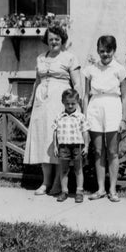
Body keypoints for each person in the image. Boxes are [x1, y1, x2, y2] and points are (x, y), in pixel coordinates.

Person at [24, 25, 82, 196]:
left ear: (62, 40)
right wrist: (30, 101)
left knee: (57, 141)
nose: (54, 42)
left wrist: (77, 106)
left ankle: (58, 182)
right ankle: (45, 182)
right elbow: (36, 82)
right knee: (43, 141)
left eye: (57, 39)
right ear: (46, 41)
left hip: (60, 103)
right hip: (41, 105)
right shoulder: (41, 58)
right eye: (51, 39)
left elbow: (77, 84)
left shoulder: (70, 57)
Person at [82, 35, 126, 202]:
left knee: (112, 151)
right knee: (97, 152)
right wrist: (85, 116)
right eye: (101, 51)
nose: (105, 54)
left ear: (114, 51)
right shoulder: (90, 70)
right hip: (95, 109)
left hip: (113, 109)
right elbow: (86, 95)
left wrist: (124, 119)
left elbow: (125, 96)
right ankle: (101, 188)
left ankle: (112, 190)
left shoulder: (120, 70)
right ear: (97, 51)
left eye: (108, 51)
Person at [52, 89, 90, 203]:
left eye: (73, 103)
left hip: (77, 146)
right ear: (63, 102)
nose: (70, 105)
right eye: (67, 103)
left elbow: (85, 132)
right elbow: (55, 131)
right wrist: (55, 146)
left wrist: (86, 146)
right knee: (63, 170)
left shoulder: (80, 116)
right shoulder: (59, 116)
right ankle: (64, 191)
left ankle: (79, 192)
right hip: (63, 146)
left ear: (77, 102)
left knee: (78, 169)